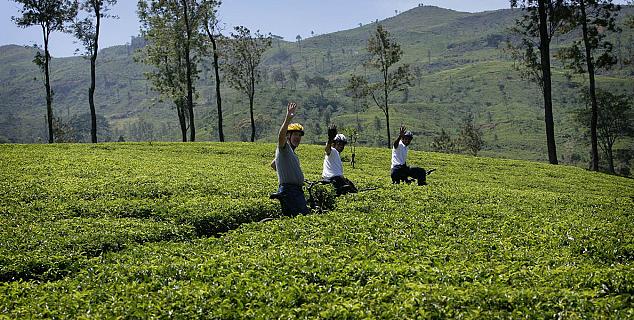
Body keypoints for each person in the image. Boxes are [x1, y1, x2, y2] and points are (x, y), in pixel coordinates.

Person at [270, 102, 309, 216]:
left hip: (295, 190)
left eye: (299, 135)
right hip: (290, 191)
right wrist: (288, 118)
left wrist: (287, 173)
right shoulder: (284, 148)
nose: (297, 137)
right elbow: (280, 136)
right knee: (303, 217)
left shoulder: (291, 154)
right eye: (295, 135)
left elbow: (273, 164)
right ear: (288, 136)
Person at [322, 124, 357, 196]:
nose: (341, 146)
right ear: (333, 144)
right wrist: (330, 139)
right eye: (339, 143)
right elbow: (327, 149)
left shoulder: (337, 154)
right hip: (333, 180)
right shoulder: (333, 151)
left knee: (353, 189)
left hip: (337, 179)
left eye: (343, 144)